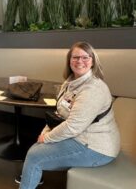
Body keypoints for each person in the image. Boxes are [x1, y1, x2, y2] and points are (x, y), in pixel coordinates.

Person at [19, 42, 120, 189]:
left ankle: (32, 172)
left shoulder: (93, 89)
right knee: (37, 149)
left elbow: (73, 127)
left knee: (34, 156)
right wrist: (46, 132)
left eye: (85, 57)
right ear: (69, 61)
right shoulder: (70, 82)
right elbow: (60, 113)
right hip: (79, 137)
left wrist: (47, 137)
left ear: (93, 61)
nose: (80, 61)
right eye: (75, 57)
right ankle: (33, 173)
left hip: (96, 147)